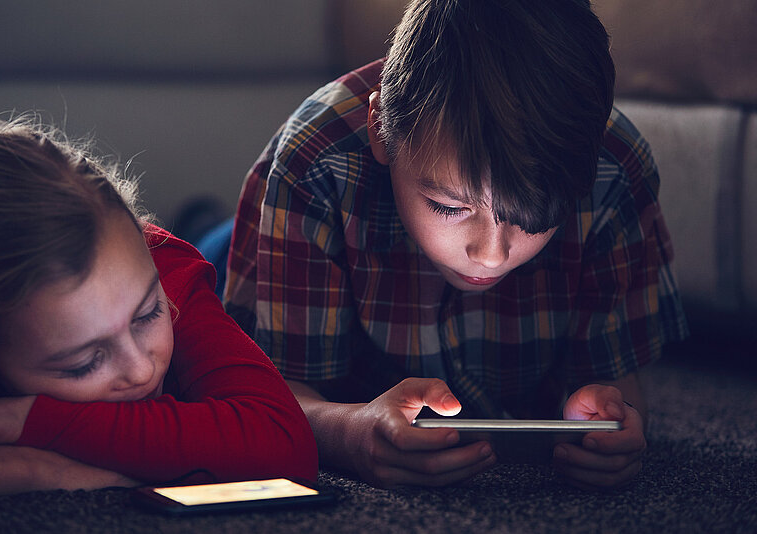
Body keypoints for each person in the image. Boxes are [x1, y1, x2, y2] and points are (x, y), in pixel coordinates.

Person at [224, 0, 688, 490]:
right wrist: (348, 434)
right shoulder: (317, 161)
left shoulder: (615, 166)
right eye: (448, 207)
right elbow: (266, 393)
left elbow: (618, 381)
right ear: (380, 130)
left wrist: (608, 416)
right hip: (266, 243)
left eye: (535, 218)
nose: (491, 255)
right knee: (198, 276)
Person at [0, 117, 317, 502]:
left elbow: (283, 443)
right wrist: (30, 470)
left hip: (202, 246)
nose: (141, 371)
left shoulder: (163, 269)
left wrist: (32, 422)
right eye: (84, 363)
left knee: (220, 237)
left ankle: (200, 219)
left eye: (148, 315)